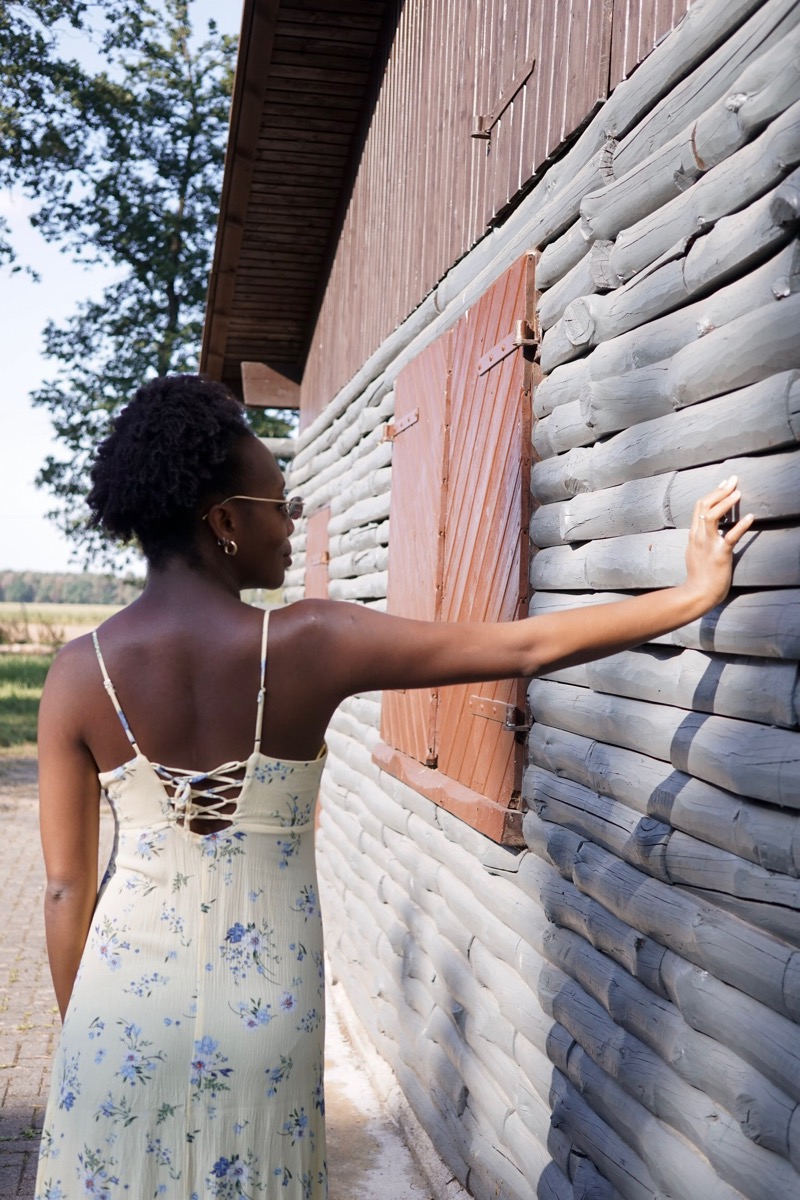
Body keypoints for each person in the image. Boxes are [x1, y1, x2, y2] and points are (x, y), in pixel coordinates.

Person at [35, 374, 752, 1200]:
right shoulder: (310, 642)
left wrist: (81, 1033)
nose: (292, 526)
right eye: (282, 506)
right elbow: (520, 648)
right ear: (225, 522)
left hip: (117, 1011)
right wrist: (694, 593)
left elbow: (62, 889)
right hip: (266, 1009)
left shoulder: (75, 676)